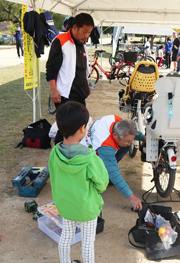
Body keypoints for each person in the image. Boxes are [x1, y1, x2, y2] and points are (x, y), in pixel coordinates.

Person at [48, 102, 109, 263]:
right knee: (88, 242)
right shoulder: (89, 158)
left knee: (66, 237)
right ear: (83, 128)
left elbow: (54, 175)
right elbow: (102, 184)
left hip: (65, 205)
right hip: (86, 209)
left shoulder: (54, 152)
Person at [80, 115, 145, 211]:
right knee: (110, 171)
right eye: (127, 141)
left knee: (125, 146)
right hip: (85, 159)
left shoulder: (116, 120)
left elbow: (130, 131)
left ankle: (105, 171)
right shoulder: (106, 146)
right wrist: (132, 198)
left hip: (94, 145)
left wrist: (144, 138)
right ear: (115, 135)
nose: (129, 143)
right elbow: (114, 173)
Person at [46, 13, 94, 109]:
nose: (87, 35)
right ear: (75, 27)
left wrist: (86, 84)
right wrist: (53, 90)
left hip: (80, 94)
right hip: (66, 95)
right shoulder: (61, 41)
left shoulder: (82, 43)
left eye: (89, 32)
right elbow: (51, 68)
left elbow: (82, 68)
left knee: (82, 122)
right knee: (68, 123)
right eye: (85, 31)